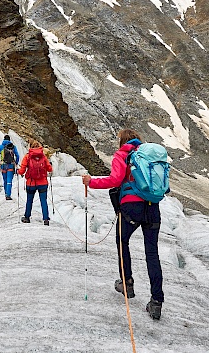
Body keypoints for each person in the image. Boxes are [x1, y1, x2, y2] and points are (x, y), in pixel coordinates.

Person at [82, 129, 164, 320]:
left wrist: (91, 182)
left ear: (122, 141)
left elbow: (115, 180)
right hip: (153, 207)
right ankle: (156, 301)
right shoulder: (148, 155)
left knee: (122, 241)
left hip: (131, 207)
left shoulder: (122, 154)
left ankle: (127, 283)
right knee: (152, 253)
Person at [17, 140, 53, 225]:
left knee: (29, 200)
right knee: (43, 201)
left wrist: (18, 171)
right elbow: (50, 169)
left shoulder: (27, 156)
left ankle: (27, 217)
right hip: (43, 183)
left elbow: (22, 171)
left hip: (31, 183)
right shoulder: (43, 156)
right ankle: (46, 219)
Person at [0, 134, 20, 200]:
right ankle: (8, 194)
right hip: (11, 165)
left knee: (5, 180)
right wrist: (16, 163)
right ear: (9, 140)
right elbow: (17, 156)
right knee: (9, 181)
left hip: (3, 165)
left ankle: (6, 193)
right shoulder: (13, 147)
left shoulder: (1, 147)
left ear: (4, 139)